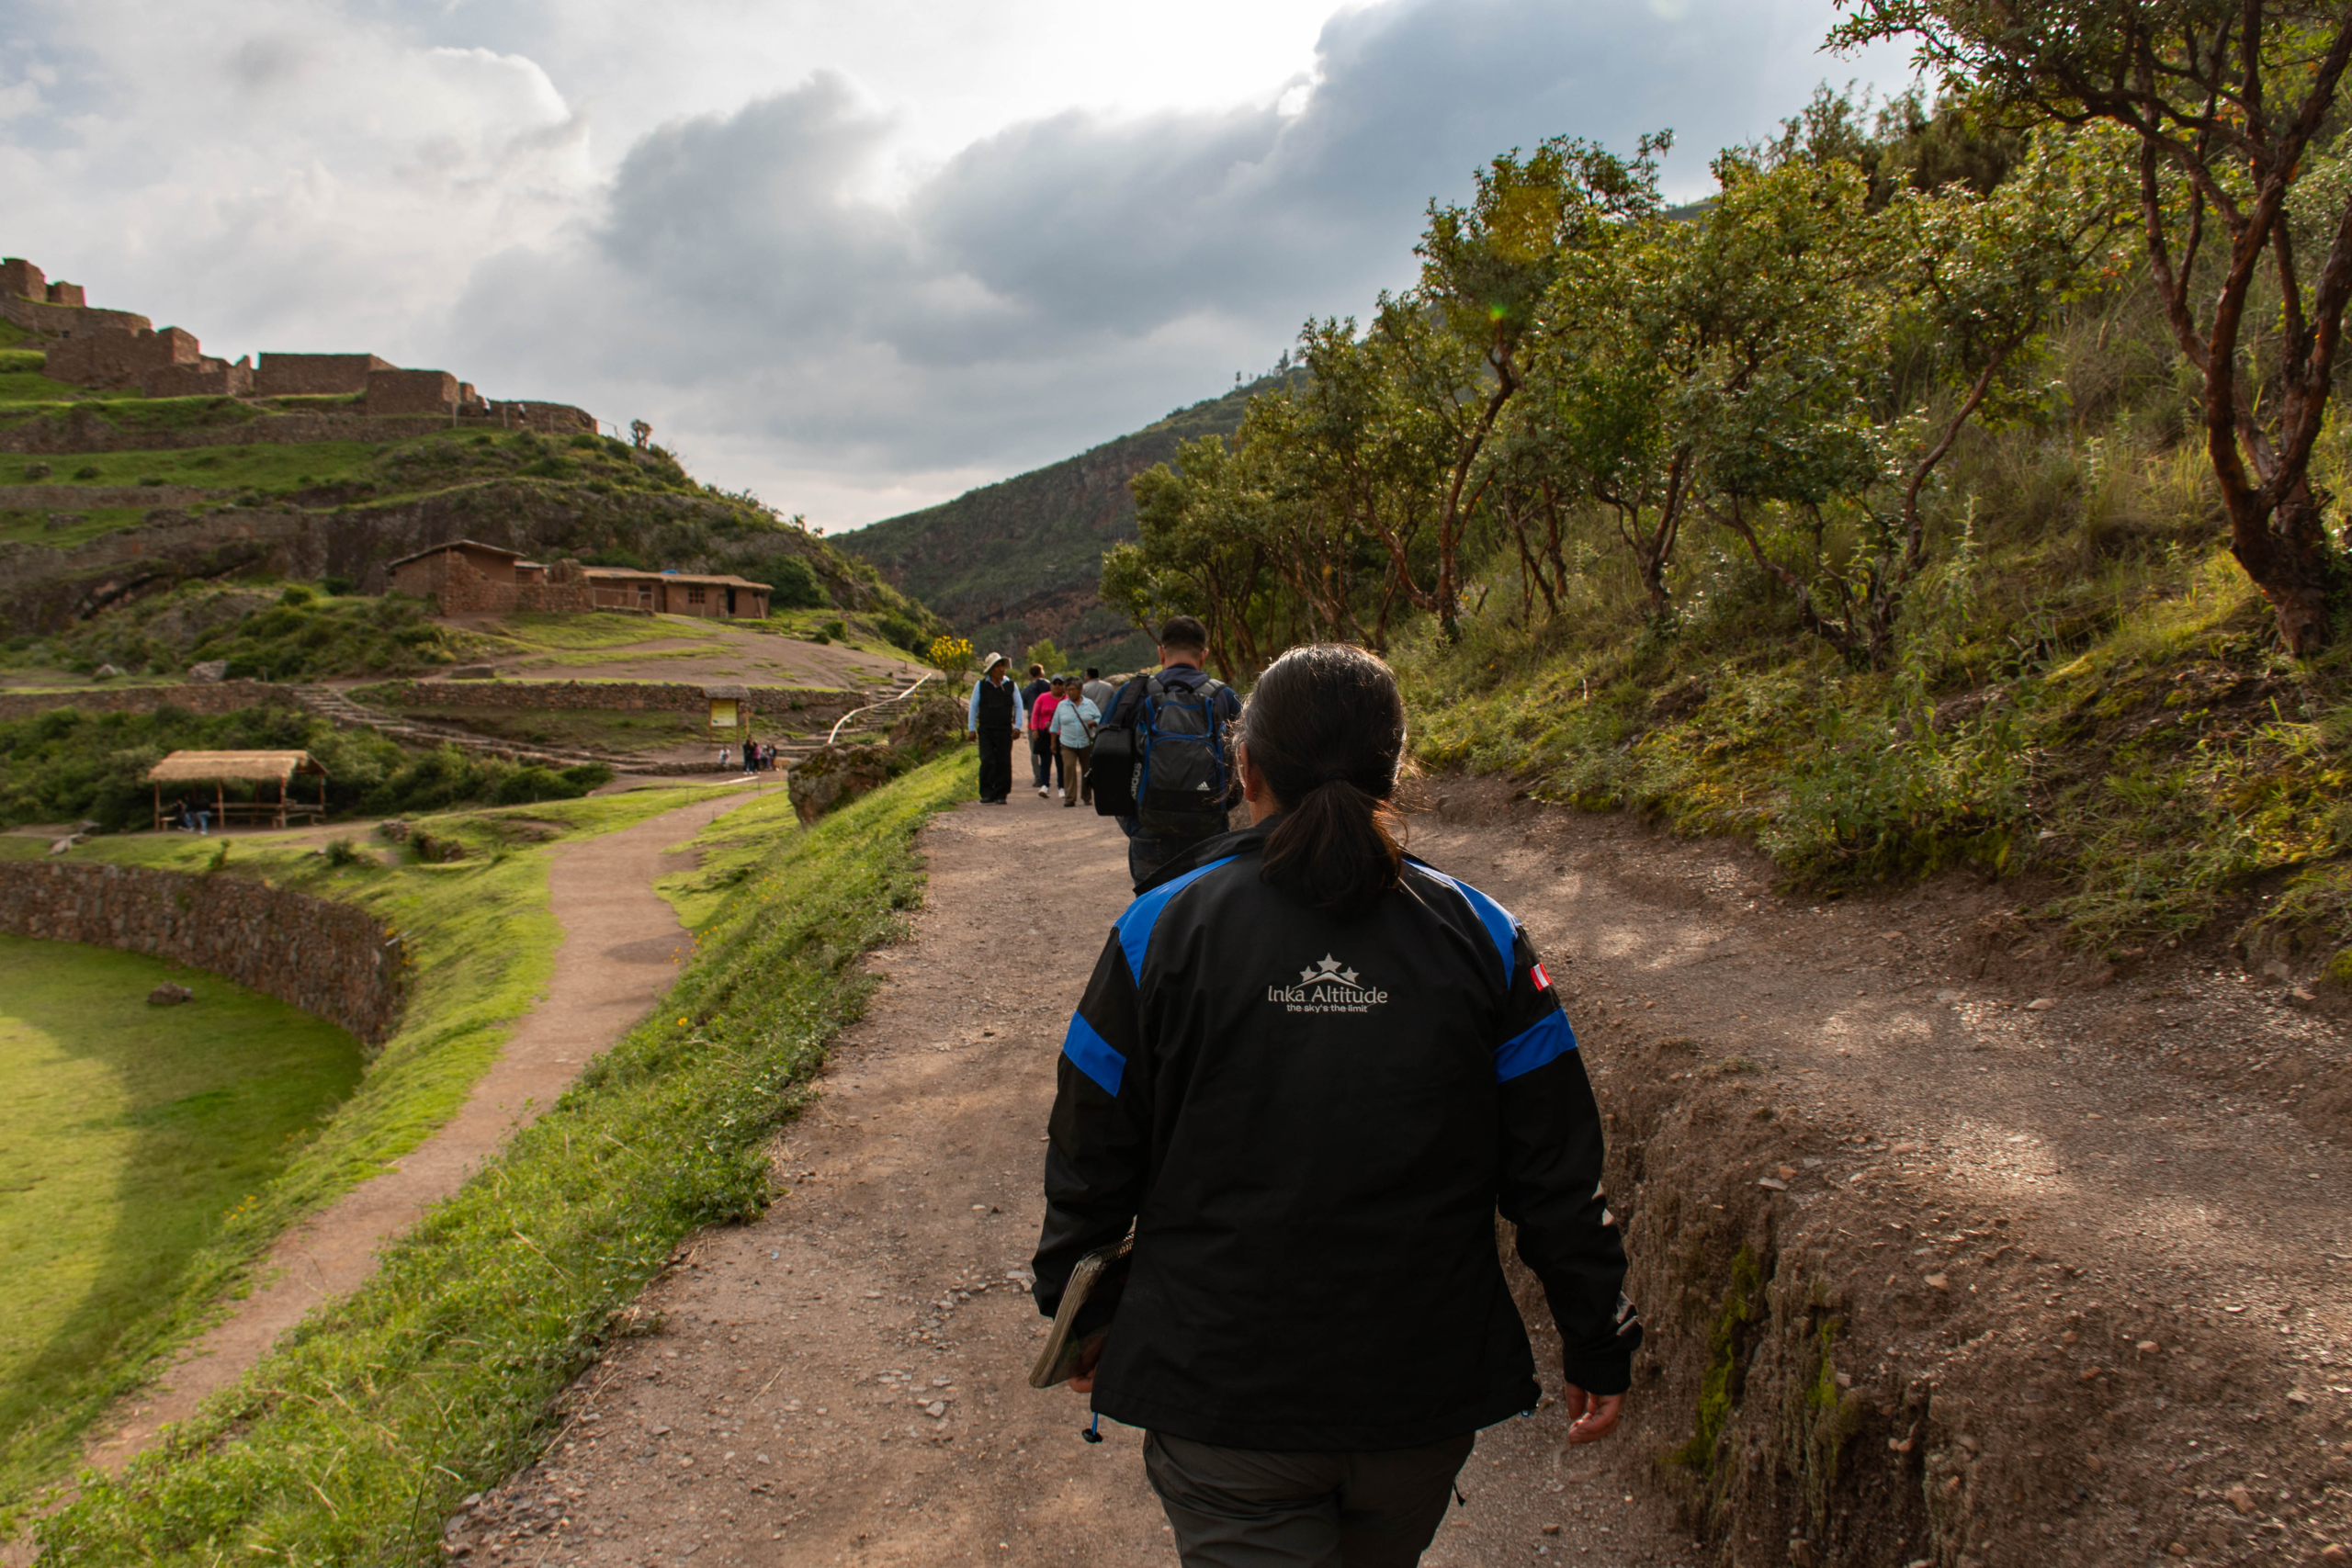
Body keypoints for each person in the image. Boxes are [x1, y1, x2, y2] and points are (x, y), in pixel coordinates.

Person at [1033, 643, 1639, 1568]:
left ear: (1245, 765)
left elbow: (1092, 1143)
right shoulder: (1483, 934)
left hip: (1221, 1394)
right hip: (1418, 1398)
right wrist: (1596, 1335)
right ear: (1396, 770)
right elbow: (1555, 1168)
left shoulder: (1159, 926)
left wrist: (1075, 1304)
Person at [1094, 615, 1242, 888]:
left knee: (1153, 918)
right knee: (1204, 918)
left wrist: (1132, 823)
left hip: (1148, 828)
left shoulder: (1134, 692)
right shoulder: (1225, 696)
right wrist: (1220, 810)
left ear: (1161, 652)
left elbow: (1105, 756)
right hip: (1208, 832)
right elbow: (1245, 764)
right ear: (1204, 655)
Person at [966, 652, 1020, 803]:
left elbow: (1019, 706)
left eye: (1002, 665)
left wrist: (1018, 726)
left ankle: (1001, 793)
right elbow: (973, 707)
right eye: (997, 666)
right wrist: (971, 728)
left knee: (1004, 760)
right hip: (986, 729)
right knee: (988, 759)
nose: (1001, 669)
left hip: (1004, 729)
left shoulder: (1011, 685)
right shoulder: (981, 685)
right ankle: (987, 792)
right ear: (990, 670)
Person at [1052, 675, 1101, 807]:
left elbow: (1100, 718)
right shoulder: (1062, 706)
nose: (1071, 692)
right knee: (1068, 768)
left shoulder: (1089, 704)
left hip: (1086, 743)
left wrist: (1094, 722)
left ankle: (1086, 797)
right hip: (1067, 743)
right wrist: (1052, 743)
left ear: (1080, 690)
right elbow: (1055, 725)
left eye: (1073, 689)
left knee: (1087, 769)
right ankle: (1069, 798)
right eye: (1068, 690)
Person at [1030, 673, 1063, 797]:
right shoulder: (1042, 697)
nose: (1057, 686)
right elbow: (1035, 714)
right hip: (1045, 733)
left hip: (1061, 734)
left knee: (1060, 761)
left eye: (1060, 684)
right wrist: (1034, 729)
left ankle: (1062, 787)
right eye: (1055, 683)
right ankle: (1045, 785)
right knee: (1045, 760)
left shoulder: (1066, 699)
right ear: (1051, 685)